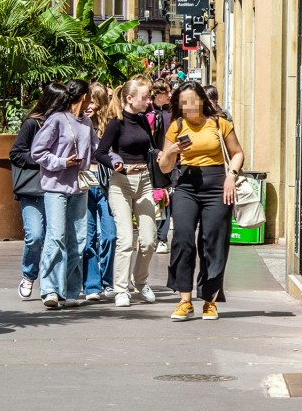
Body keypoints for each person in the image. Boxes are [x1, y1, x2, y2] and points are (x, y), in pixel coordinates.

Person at [157, 81, 245, 321]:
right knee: (183, 238)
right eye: (183, 103)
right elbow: (164, 167)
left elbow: (237, 153)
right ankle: (184, 301)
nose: (189, 107)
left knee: (213, 242)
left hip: (217, 185)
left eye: (192, 101)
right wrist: (172, 150)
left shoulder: (219, 123)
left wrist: (231, 176)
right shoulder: (176, 126)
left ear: (201, 100)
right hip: (186, 185)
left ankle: (209, 301)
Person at [31, 79, 95, 309]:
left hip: (80, 187)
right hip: (55, 187)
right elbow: (38, 151)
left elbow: (96, 148)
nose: (91, 101)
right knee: (56, 236)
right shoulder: (57, 119)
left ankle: (68, 290)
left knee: (78, 239)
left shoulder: (87, 122)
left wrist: (117, 158)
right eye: (90, 96)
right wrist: (61, 162)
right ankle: (49, 289)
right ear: (83, 96)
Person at [95, 76, 157, 307]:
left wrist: (162, 153)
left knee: (149, 240)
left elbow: (151, 148)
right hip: (121, 183)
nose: (148, 101)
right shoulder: (116, 123)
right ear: (130, 99)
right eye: (145, 97)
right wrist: (118, 165)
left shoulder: (143, 121)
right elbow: (100, 153)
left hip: (145, 181)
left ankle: (140, 281)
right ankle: (121, 289)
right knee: (125, 239)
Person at [9, 83, 68, 300]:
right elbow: (16, 153)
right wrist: (44, 160)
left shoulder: (66, 123)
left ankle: (50, 284)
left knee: (56, 237)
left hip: (58, 187)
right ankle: (28, 274)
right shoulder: (33, 123)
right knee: (35, 236)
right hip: (34, 189)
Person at [82, 82, 116, 301]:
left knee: (110, 235)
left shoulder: (111, 126)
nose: (88, 105)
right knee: (88, 238)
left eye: (92, 101)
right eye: (86, 101)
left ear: (101, 103)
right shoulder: (79, 124)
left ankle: (107, 281)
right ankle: (91, 285)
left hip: (106, 184)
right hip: (84, 182)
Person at [150, 79, 174, 254]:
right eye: (166, 92)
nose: (169, 95)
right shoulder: (150, 113)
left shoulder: (170, 112)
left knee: (166, 197)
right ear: (158, 94)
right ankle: (155, 235)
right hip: (155, 160)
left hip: (170, 160)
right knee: (157, 197)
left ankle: (162, 237)